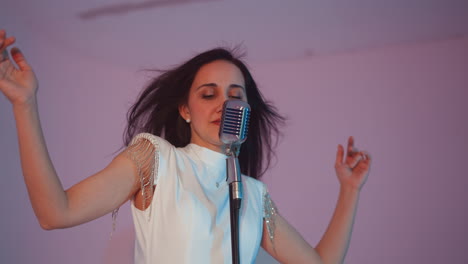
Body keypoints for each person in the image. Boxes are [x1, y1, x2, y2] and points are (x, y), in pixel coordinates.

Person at [0, 29, 372, 264]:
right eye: (208, 94)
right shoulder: (155, 160)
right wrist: (25, 105)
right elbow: (56, 213)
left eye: (235, 95)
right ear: (185, 110)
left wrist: (350, 190)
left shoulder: (255, 197)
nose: (223, 104)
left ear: (247, 112)